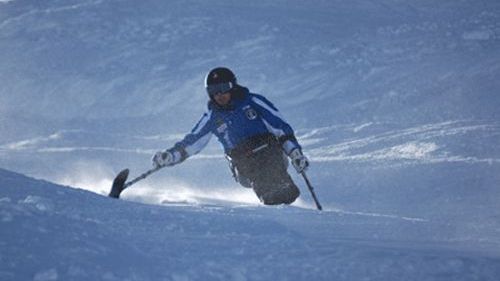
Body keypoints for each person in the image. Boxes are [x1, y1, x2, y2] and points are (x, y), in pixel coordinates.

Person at [152, 67, 309, 205]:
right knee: (250, 161)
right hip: (244, 163)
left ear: (232, 86)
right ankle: (268, 194)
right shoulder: (213, 116)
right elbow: (193, 142)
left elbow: (280, 128)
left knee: (266, 151)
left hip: (269, 152)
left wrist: (295, 153)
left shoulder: (252, 102)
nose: (219, 95)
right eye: (214, 91)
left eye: (223, 88)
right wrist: (170, 156)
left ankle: (283, 186)